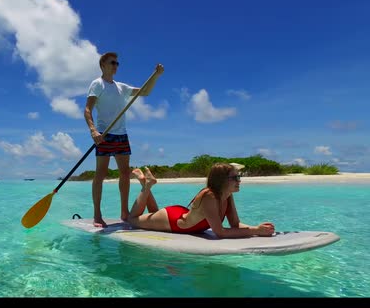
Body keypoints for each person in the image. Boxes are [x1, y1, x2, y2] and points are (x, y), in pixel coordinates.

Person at [84, 52, 164, 228]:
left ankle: (124, 212)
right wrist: (93, 131)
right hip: (104, 134)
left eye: (117, 63)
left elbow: (145, 91)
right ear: (103, 65)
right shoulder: (97, 84)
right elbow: (88, 110)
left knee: (125, 173)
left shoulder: (121, 87)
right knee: (101, 174)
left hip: (121, 135)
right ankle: (97, 214)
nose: (116, 65)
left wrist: (156, 76)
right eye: (112, 62)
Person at [127, 163, 276, 238]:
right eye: (235, 178)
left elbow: (235, 224)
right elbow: (220, 232)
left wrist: (256, 228)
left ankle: (145, 183)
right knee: (131, 219)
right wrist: (256, 231)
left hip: (182, 215)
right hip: (173, 220)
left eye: (239, 177)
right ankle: (146, 186)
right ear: (222, 180)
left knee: (152, 214)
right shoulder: (210, 196)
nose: (239, 181)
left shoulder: (227, 194)